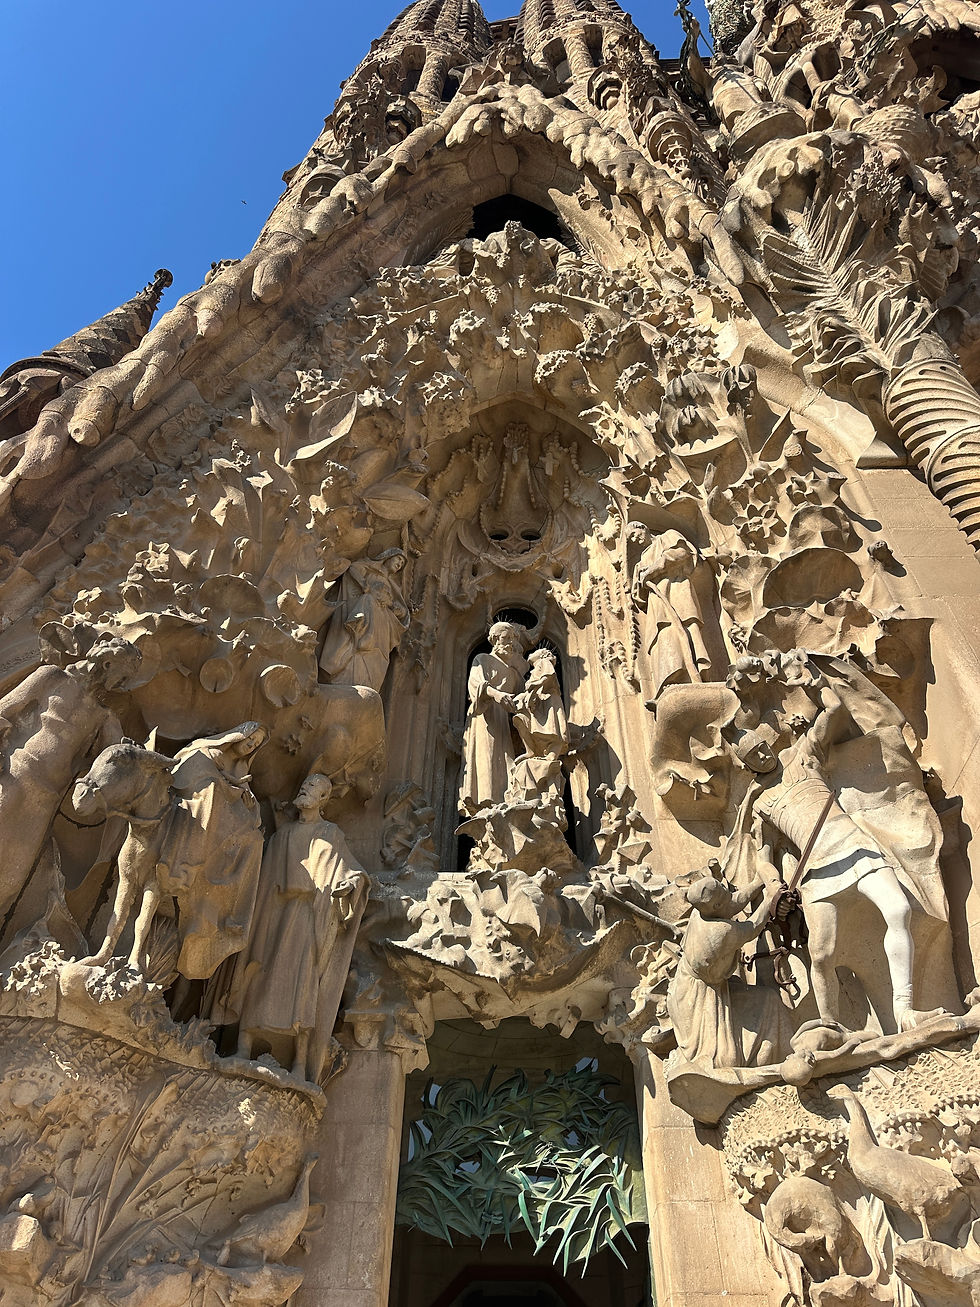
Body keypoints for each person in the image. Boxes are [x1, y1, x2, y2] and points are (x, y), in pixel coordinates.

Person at [735, 698, 943, 1033]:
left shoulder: (802, 757)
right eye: (753, 757)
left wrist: (810, 679)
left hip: (856, 846)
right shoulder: (761, 804)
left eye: (762, 747)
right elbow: (763, 857)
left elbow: (833, 710)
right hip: (816, 872)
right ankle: (831, 1026)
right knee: (821, 954)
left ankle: (904, 1010)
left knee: (898, 910)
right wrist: (775, 888)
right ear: (747, 767)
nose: (762, 755)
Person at [217, 773, 369, 1083]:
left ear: (324, 799)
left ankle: (300, 1063)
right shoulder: (283, 836)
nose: (305, 789)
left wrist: (349, 885)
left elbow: (354, 872)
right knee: (259, 975)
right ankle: (243, 1047)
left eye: (313, 787)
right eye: (304, 784)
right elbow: (263, 878)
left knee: (304, 985)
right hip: (275, 915)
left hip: (307, 919)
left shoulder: (331, 834)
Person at [0, 633, 141, 919]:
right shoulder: (51, 677)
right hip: (16, 773)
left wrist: (130, 756)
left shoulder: (104, 717)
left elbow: (109, 763)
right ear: (107, 662)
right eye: (123, 675)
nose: (122, 685)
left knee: (13, 875)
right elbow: (5, 709)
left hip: (45, 798)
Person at [158, 721, 269, 979]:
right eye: (251, 738)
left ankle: (230, 905)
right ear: (238, 734)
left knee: (254, 840)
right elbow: (189, 775)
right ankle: (188, 867)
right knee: (211, 795)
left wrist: (246, 798)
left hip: (225, 823)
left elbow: (248, 808)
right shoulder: (208, 751)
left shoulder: (240, 767)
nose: (251, 745)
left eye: (256, 743)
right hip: (197, 809)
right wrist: (225, 785)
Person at [667, 872, 784, 1068]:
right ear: (715, 906)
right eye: (721, 890)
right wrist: (770, 898)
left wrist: (757, 882)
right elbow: (753, 926)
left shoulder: (700, 912)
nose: (725, 888)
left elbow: (731, 902)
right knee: (723, 1057)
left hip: (689, 983)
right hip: (699, 997)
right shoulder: (720, 932)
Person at [458, 622, 527, 815]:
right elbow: (476, 685)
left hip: (504, 722)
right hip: (485, 715)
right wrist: (497, 695)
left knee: (505, 760)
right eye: (506, 638)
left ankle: (506, 803)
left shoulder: (514, 673)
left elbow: (523, 696)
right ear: (495, 639)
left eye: (513, 639)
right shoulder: (483, 660)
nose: (511, 643)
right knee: (487, 757)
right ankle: (486, 806)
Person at [319, 549, 409, 692]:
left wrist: (398, 609)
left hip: (380, 625)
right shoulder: (370, 569)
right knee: (357, 646)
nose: (399, 564)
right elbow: (353, 569)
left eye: (402, 563)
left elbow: (400, 609)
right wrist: (363, 584)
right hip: (364, 615)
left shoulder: (393, 586)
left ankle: (368, 685)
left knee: (376, 654)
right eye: (398, 559)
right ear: (387, 557)